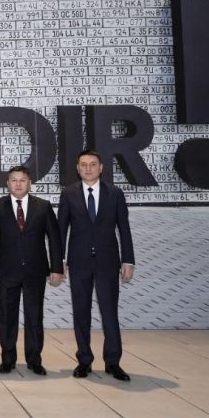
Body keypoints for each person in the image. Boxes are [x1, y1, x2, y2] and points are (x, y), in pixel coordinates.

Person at [58, 149, 136, 381]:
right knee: (81, 312)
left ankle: (113, 362)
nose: (88, 168)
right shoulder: (68, 194)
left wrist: (128, 259)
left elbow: (124, 228)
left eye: (93, 164)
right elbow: (61, 229)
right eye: (84, 165)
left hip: (107, 262)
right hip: (79, 262)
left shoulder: (115, 193)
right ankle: (84, 360)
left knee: (109, 312)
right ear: (77, 169)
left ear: (101, 168)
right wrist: (58, 260)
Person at [0, 166, 64, 375]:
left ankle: (34, 360)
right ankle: (7, 359)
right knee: (7, 317)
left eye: (22, 180)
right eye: (14, 180)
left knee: (34, 317)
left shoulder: (43, 206)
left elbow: (54, 239)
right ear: (8, 183)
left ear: (29, 183)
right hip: (7, 271)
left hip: (35, 271)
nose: (18, 184)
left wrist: (56, 267)